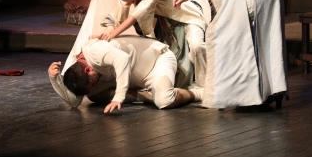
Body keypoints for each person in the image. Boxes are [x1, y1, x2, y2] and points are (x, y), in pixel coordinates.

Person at [90, 0, 207, 89]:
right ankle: (189, 89)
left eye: (132, 2)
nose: (131, 4)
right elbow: (118, 15)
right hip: (168, 24)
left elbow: (137, 15)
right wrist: (104, 34)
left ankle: (204, 86)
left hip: (187, 16)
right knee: (175, 65)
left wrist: (113, 34)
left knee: (196, 46)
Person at [49, 35, 201, 112]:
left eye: (93, 82)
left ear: (88, 69)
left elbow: (123, 59)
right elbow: (75, 102)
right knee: (93, 95)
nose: (95, 84)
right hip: (135, 77)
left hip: (156, 62)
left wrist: (118, 97)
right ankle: (146, 96)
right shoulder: (79, 67)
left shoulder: (94, 52)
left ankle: (199, 93)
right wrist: (55, 79)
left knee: (164, 101)